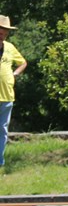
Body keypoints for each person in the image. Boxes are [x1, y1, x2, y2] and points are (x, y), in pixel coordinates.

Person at [0, 16, 26, 167]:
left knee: (2, 131)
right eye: (0, 31)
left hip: (6, 96)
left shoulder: (10, 47)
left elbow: (23, 63)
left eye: (5, 31)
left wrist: (15, 74)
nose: (2, 34)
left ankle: (0, 161)